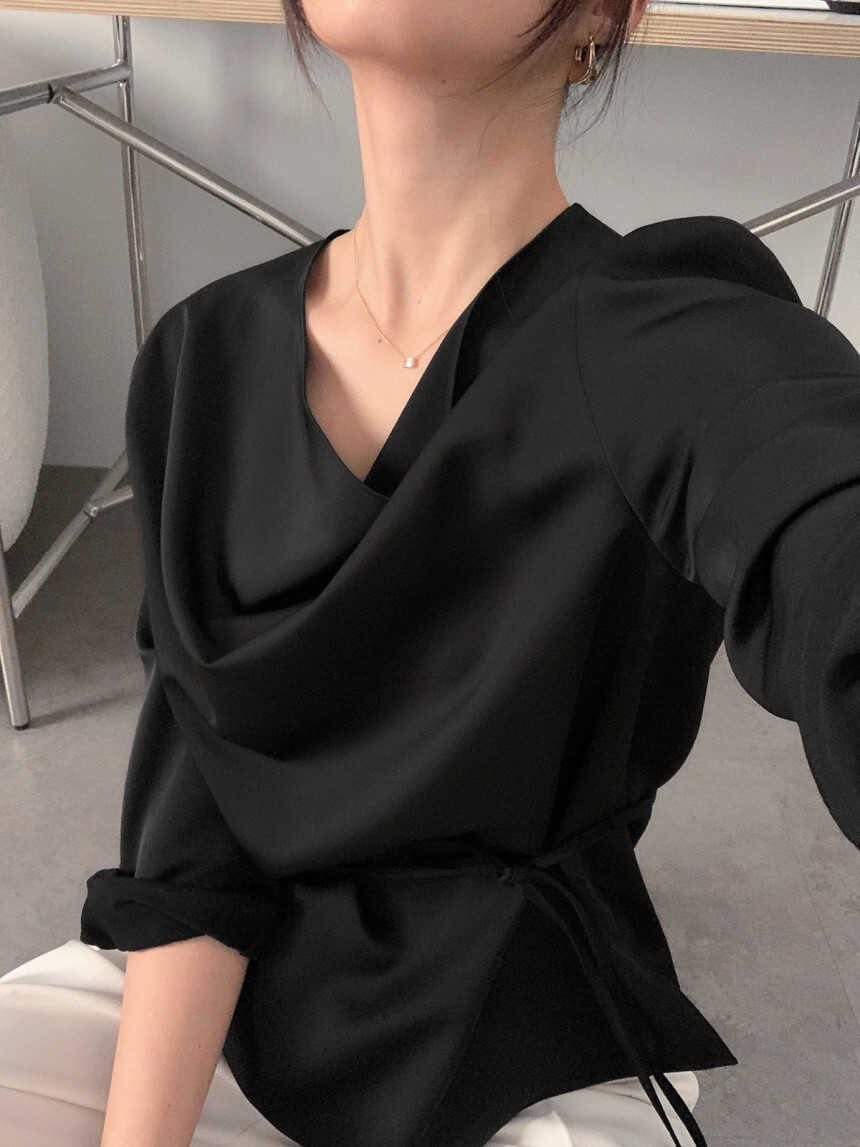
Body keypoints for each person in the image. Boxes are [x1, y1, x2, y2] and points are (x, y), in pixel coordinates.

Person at [2, 2, 859, 1146]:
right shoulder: (203, 358)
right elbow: (193, 840)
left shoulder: (669, 339)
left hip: (516, 1025)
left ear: (599, 12)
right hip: (221, 988)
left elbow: (815, 506)